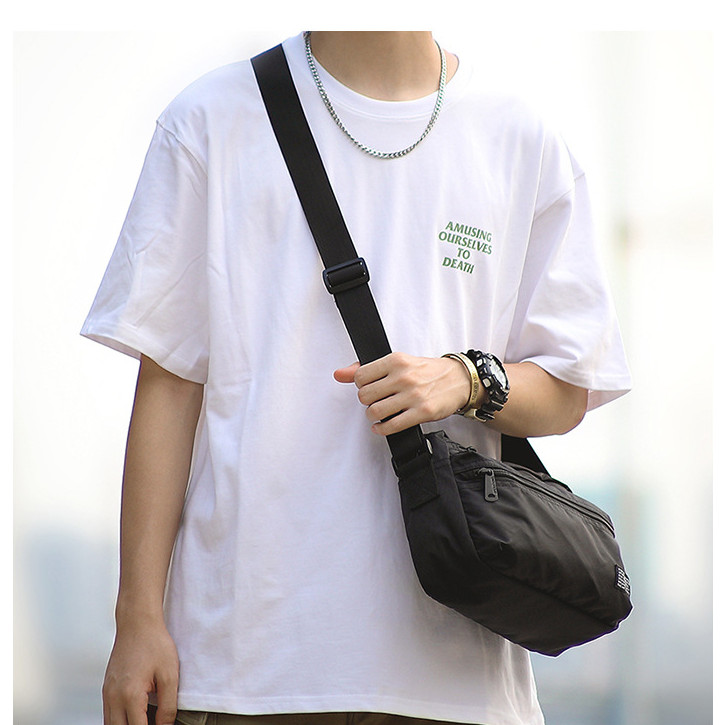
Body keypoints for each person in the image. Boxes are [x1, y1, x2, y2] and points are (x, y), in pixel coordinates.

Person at [82, 31, 631, 725]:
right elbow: (169, 385)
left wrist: (465, 379)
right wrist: (137, 618)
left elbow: (567, 391)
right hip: (243, 664)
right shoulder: (211, 119)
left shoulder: (519, 137)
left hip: (455, 674)